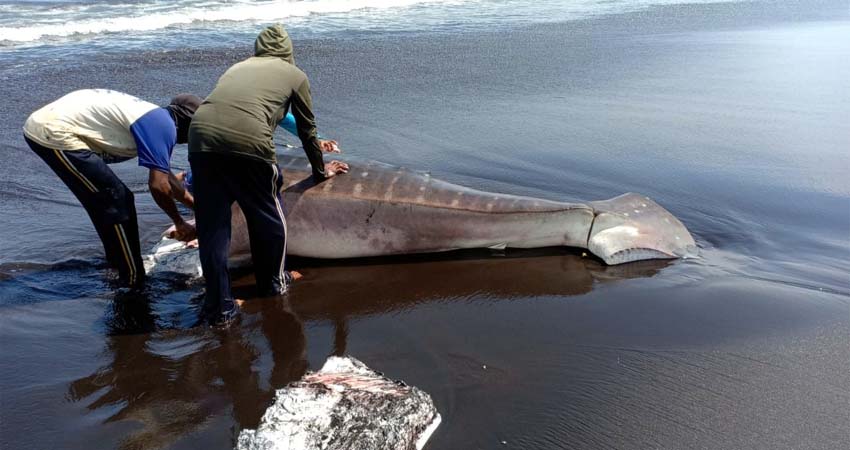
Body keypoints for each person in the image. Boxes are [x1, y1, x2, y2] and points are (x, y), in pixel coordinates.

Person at [188, 24, 348, 325]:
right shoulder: (295, 75)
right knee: (268, 216)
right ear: (288, 53)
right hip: (249, 143)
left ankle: (219, 308)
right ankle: (273, 283)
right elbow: (306, 128)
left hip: (200, 139)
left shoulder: (238, 67)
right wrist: (319, 170)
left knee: (213, 230)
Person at [23, 89, 202, 288]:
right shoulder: (164, 127)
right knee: (118, 201)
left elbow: (167, 177)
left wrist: (197, 209)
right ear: (187, 124)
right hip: (55, 133)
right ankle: (133, 278)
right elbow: (158, 185)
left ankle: (117, 265)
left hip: (52, 125)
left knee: (106, 202)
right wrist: (179, 222)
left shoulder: (156, 119)